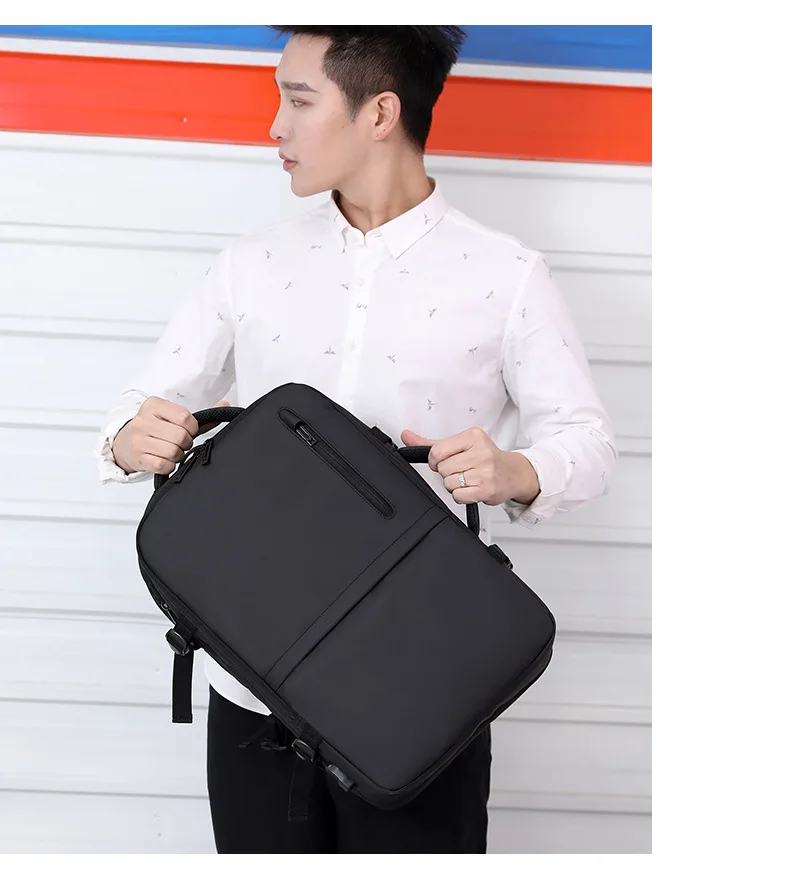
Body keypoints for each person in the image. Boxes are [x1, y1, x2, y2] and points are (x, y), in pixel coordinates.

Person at [95, 25, 617, 855]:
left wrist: (515, 468)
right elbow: (137, 408)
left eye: (299, 101)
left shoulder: (505, 273)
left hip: (423, 689)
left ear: (380, 113)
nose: (275, 126)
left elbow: (587, 442)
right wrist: (132, 438)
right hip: (255, 680)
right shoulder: (249, 264)